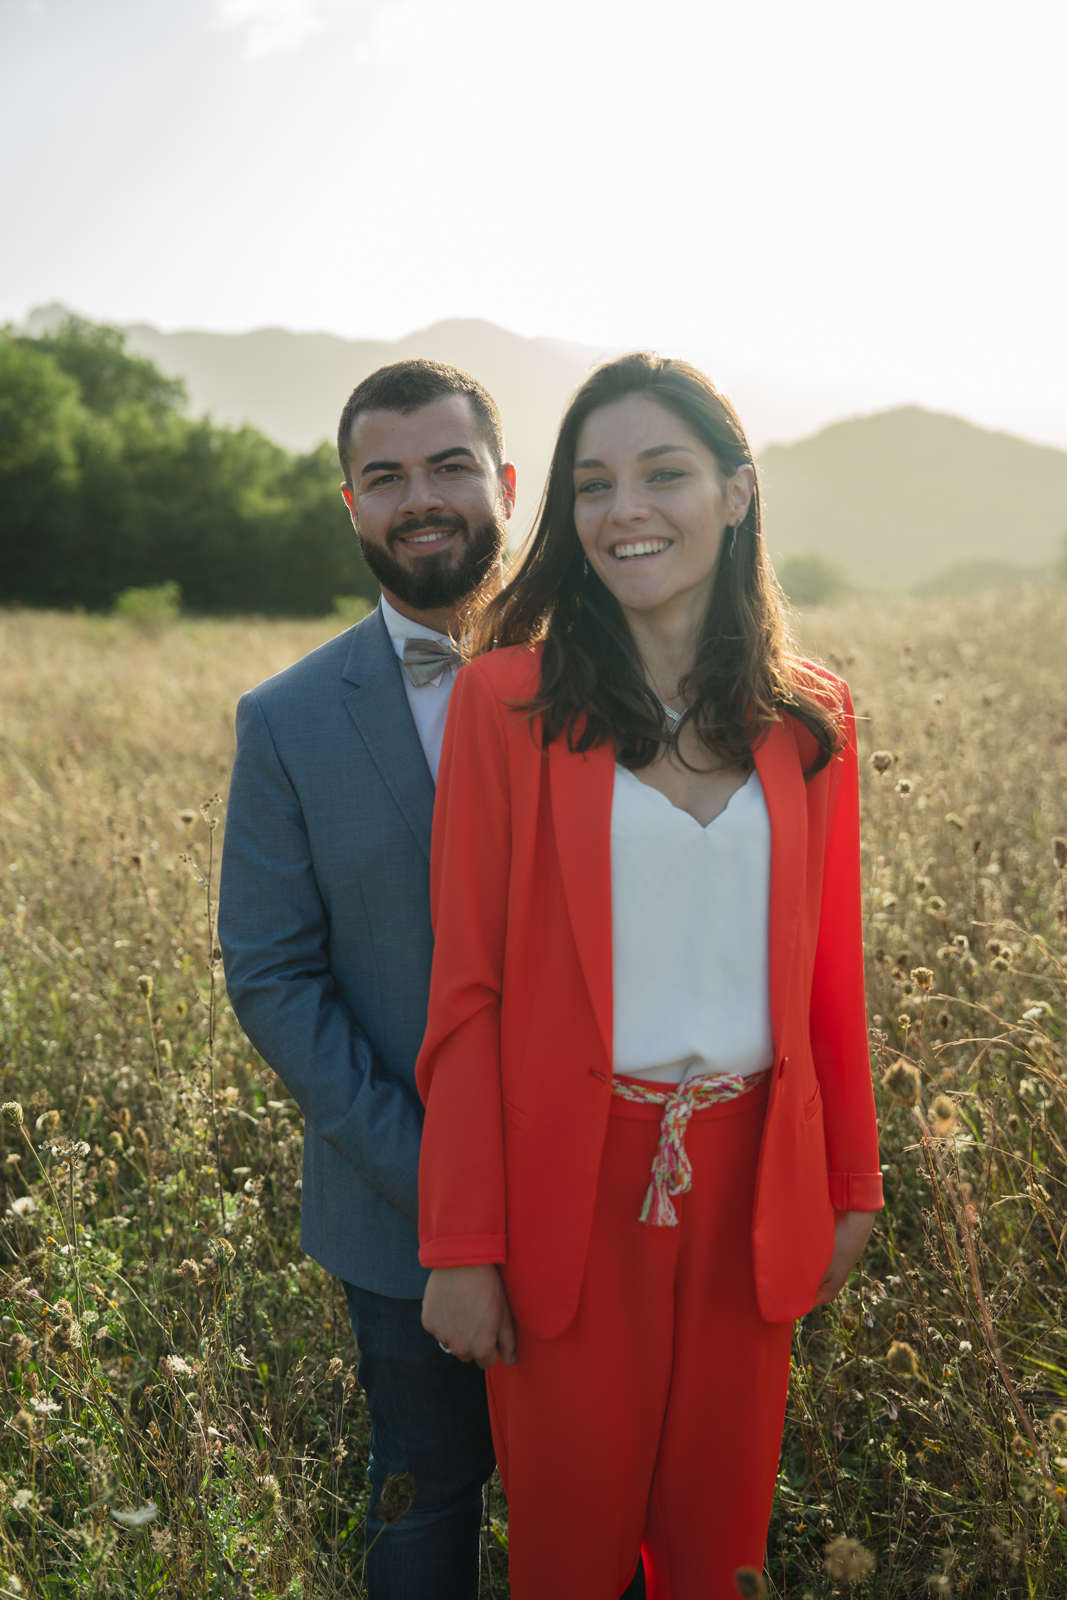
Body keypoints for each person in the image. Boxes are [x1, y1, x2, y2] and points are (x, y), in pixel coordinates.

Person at [415, 353, 884, 1600]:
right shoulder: (504, 706)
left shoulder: (809, 717)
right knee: (566, 1559)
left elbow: (828, 976)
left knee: (715, 1554)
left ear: (735, 493)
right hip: (571, 1188)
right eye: (591, 484)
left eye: (661, 473)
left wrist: (851, 1181)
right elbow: (465, 991)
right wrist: (461, 1241)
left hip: (752, 1191)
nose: (625, 509)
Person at [218, 359, 517, 1600]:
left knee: (619, 1504)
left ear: (504, 483)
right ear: (350, 504)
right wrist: (434, 1182)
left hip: (612, 1190)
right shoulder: (285, 719)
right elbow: (274, 976)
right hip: (396, 1212)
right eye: (385, 476)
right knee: (423, 1492)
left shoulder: (616, 679)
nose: (420, 498)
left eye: (449, 466)